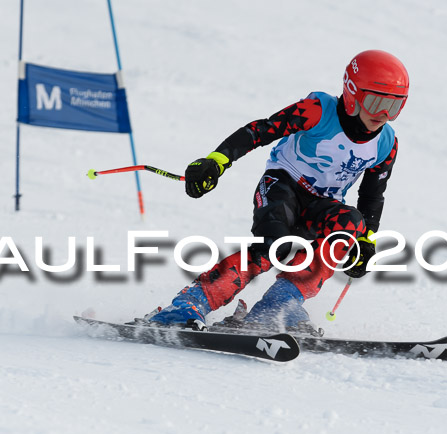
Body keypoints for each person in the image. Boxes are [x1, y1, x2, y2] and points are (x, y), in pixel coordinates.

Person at [144, 50, 409, 335]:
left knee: (351, 223)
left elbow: (372, 195)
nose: (384, 114)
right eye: (377, 102)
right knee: (272, 247)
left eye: (395, 107)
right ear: (352, 93)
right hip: (283, 186)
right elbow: (260, 130)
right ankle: (187, 304)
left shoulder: (386, 143)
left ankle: (277, 307)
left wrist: (366, 240)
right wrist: (217, 160)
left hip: (323, 206)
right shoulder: (318, 111)